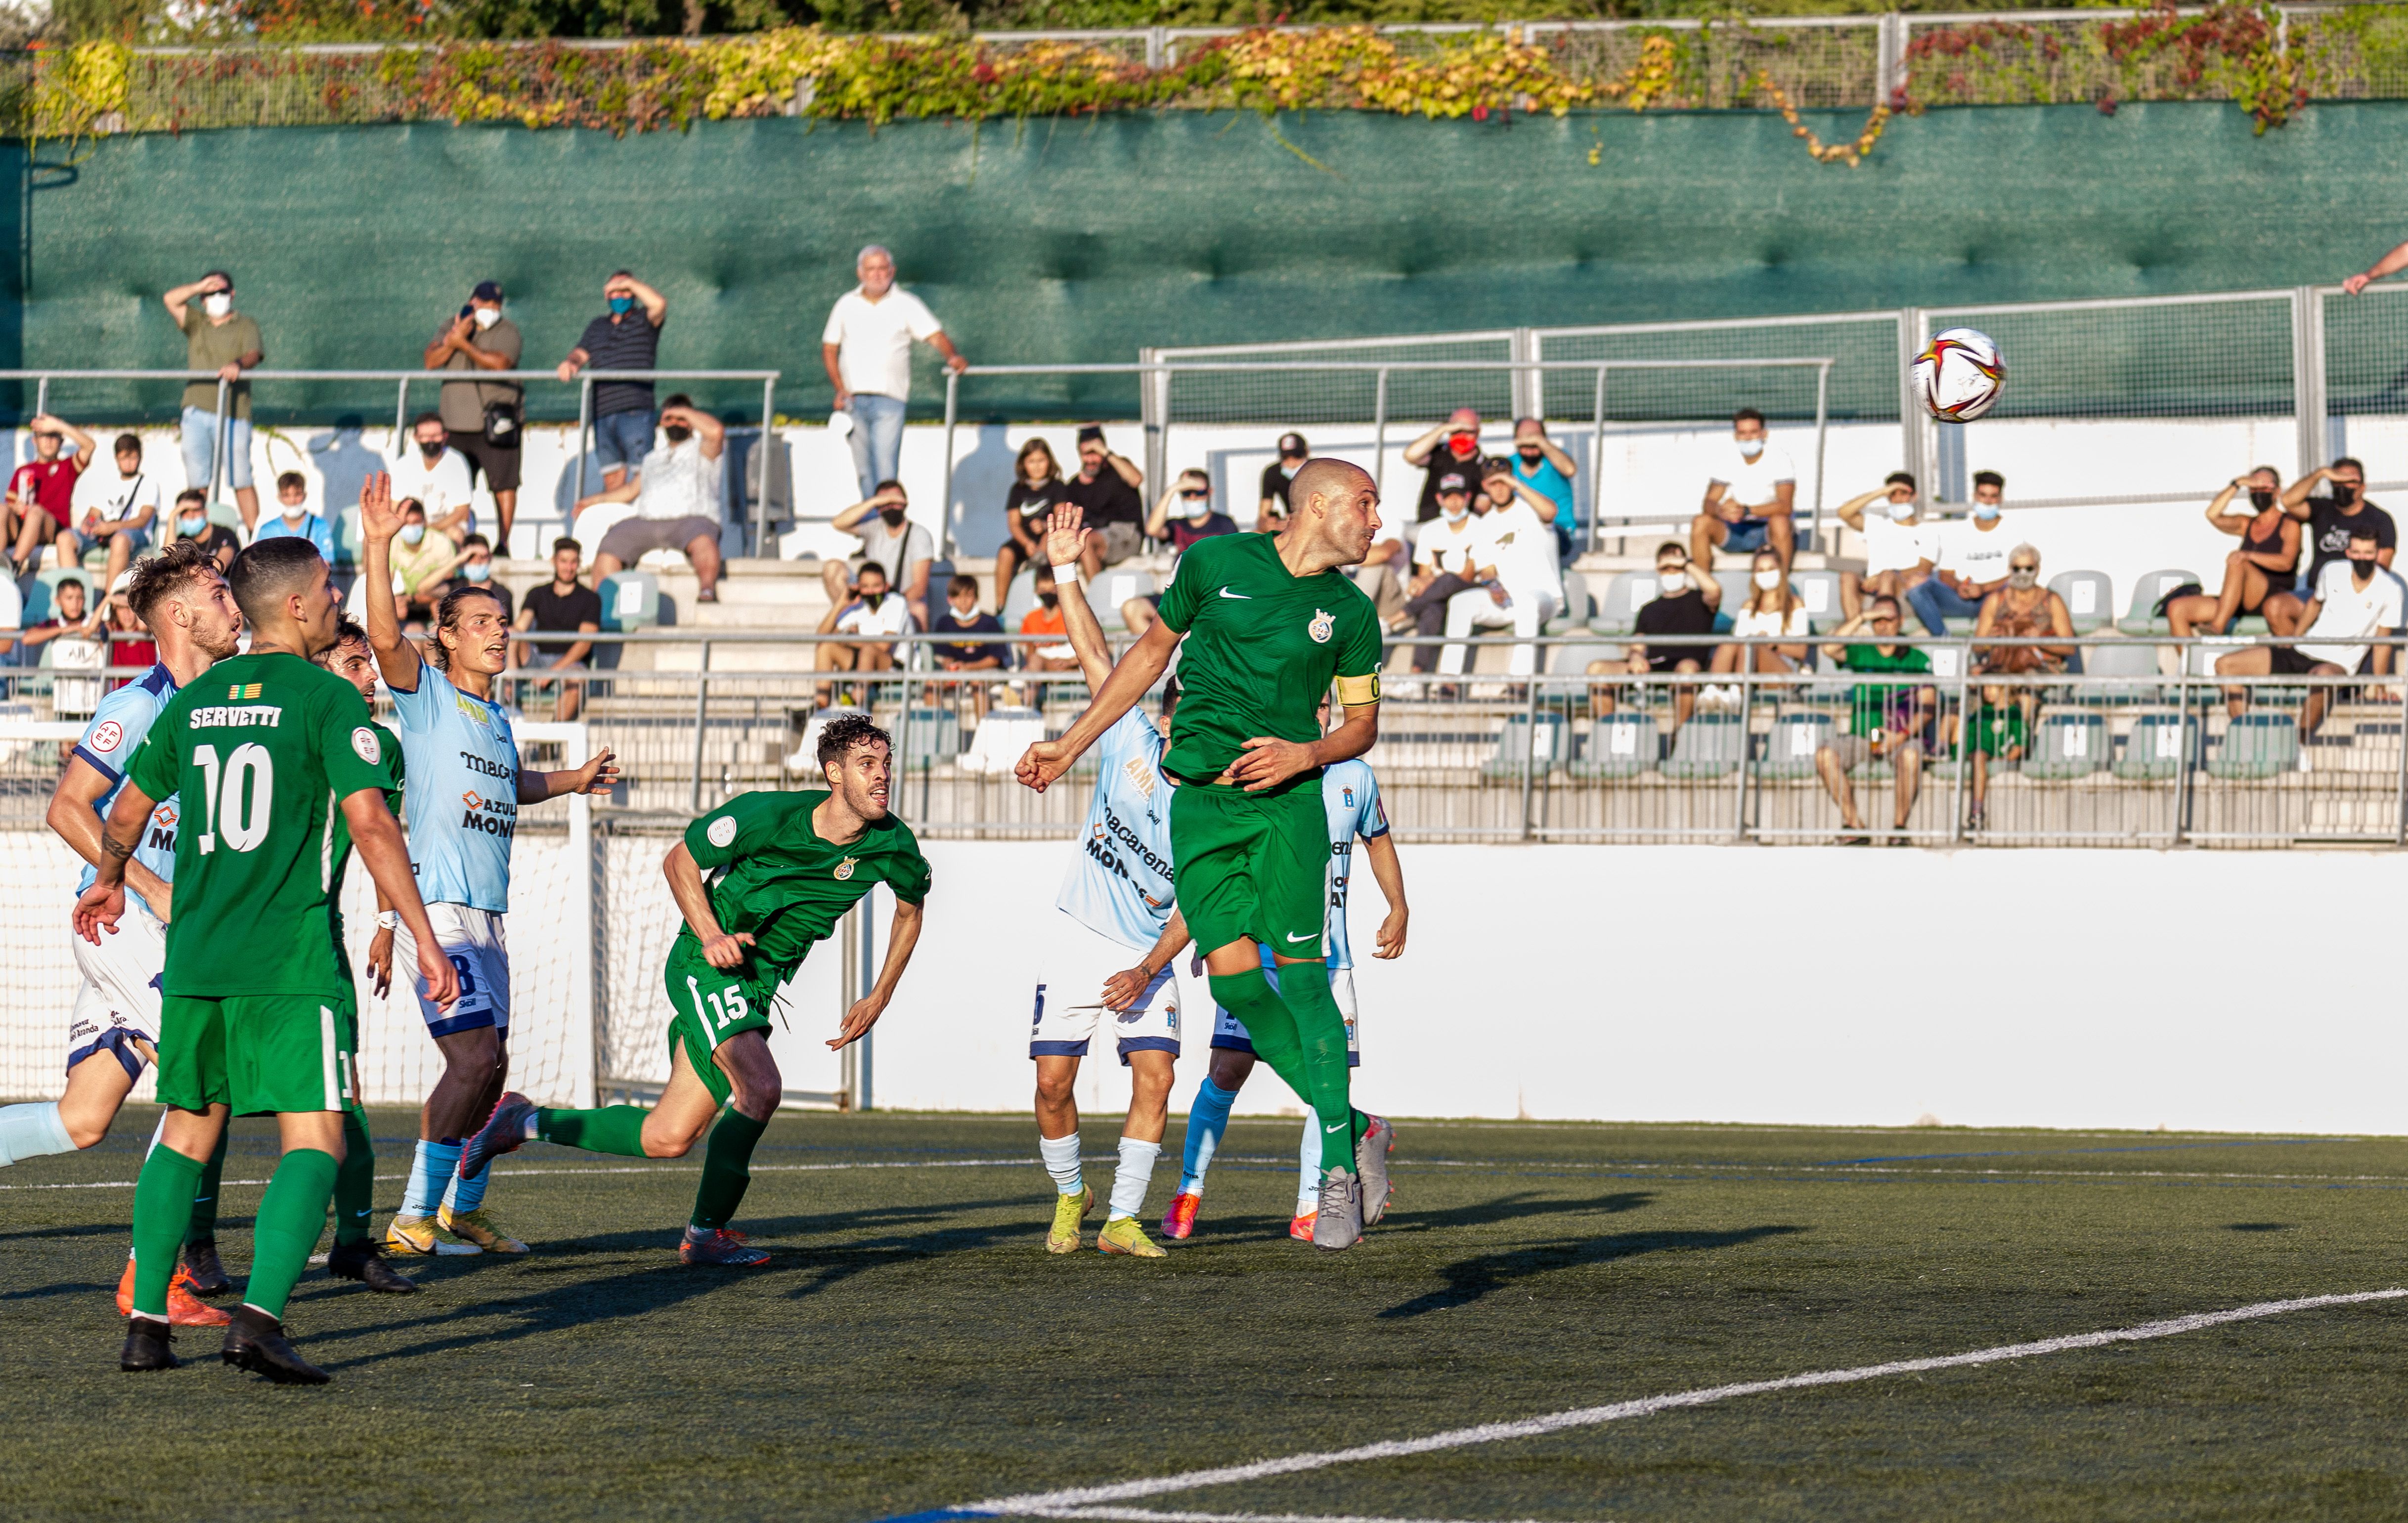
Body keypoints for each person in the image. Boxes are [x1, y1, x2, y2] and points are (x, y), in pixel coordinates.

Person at [87, 533, 459, 1384]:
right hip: (289, 961)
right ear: (295, 606)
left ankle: (147, 1326)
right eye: (329, 589)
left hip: (198, 959)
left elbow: (127, 810)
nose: (338, 602)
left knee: (185, 1131)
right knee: (318, 1138)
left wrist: (112, 880)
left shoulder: (195, 699)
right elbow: (372, 826)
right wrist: (424, 937)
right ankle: (257, 1323)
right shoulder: (328, 701)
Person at [1014, 456, 1395, 1252]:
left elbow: (1361, 727)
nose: (1375, 520)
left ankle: (1334, 1171)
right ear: (1317, 505)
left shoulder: (1352, 614)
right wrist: (1068, 746)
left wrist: (1307, 754)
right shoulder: (1215, 562)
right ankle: (1356, 1124)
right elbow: (1144, 658)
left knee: (1297, 980)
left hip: (1286, 806)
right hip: (1203, 805)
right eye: (1365, 504)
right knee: (1234, 986)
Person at [459, 712, 930, 1267]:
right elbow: (679, 860)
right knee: (761, 1087)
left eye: (886, 765)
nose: (882, 776)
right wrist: (711, 935)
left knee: (668, 1136)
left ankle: (523, 1121)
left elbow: (909, 910)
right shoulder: (768, 814)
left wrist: (880, 995)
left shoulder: (893, 843)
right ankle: (706, 1235)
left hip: (754, 989)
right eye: (867, 765)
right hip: (704, 968)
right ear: (833, 774)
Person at [358, 471, 619, 1261]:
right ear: (447, 638)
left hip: (488, 914)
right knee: (470, 1058)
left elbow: (510, 786)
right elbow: (379, 635)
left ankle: (463, 1207)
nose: (498, 633)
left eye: (502, 622)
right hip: (435, 908)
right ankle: (411, 1216)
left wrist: (570, 781)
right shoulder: (428, 693)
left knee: (492, 1065)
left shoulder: (497, 717)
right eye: (480, 623)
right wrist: (378, 547)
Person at [0, 543, 243, 1333]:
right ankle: (156, 1276)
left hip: (155, 932)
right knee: (202, 1082)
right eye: (216, 591)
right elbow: (69, 807)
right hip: (126, 923)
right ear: (179, 615)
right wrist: (152, 887)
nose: (231, 601)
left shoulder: (224, 700)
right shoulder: (140, 704)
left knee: (83, 1121)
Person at [1163, 693, 1407, 1244]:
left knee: (1327, 1073)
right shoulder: (1247, 768)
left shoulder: (1354, 778)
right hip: (1255, 952)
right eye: (1313, 701)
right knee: (1226, 1070)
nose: (1317, 710)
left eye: (1325, 704)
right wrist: (1214, 928)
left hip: (1326, 958)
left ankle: (1314, 1205)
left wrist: (1398, 905)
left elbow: (1378, 841)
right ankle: (1188, 1188)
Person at [1017, 505, 1189, 1258]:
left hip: (1147, 956)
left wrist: (1146, 968)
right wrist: (1063, 570)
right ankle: (1070, 1196)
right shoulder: (1129, 735)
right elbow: (1096, 653)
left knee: (1155, 1077)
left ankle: (1121, 1218)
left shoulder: (1220, 808)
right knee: (1052, 1085)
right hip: (1077, 936)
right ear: (1174, 715)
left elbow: (1201, 907)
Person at [307, 616, 423, 1295]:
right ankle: (194, 1247)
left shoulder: (376, 744)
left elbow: (378, 834)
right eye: (355, 664)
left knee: (344, 1097)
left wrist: (388, 922)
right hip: (228, 940)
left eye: (369, 665)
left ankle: (353, 1239)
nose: (371, 677)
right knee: (208, 1104)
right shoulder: (275, 721)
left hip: (313, 943)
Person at [2216, 525, 2407, 740]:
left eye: (2369, 553)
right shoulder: (2333, 570)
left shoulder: (2391, 590)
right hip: (2305, 648)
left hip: (2337, 663)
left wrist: (2379, 685)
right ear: (2348, 553)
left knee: (2323, 679)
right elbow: (2314, 605)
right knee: (2226, 665)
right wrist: (2295, 638)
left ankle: (2298, 745)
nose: (2362, 558)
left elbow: (2382, 643)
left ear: (2378, 554)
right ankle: (2244, 739)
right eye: (2357, 553)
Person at [822, 244, 967, 497]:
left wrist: (952, 356)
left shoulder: (907, 304)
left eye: (882, 268)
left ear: (893, 271)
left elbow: (935, 336)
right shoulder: (846, 304)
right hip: (853, 400)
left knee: (886, 471)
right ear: (860, 273)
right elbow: (830, 348)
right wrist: (839, 388)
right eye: (871, 269)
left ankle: (890, 531)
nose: (877, 275)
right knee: (865, 473)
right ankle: (873, 529)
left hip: (890, 399)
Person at [1963, 546, 2074, 830]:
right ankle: (1970, 748)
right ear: (2009, 569)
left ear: (2037, 569)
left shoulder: (2051, 601)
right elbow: (1978, 645)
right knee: (1978, 689)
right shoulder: (1996, 600)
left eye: (2028, 569)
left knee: (2026, 690)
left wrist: (2037, 639)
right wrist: (1995, 638)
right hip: (2001, 668)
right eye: (2017, 569)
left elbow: (2070, 646)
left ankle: (2018, 744)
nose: (2022, 575)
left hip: (2034, 668)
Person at [578, 395, 726, 603]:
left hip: (691, 520)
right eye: (670, 418)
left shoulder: (703, 449)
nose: (675, 423)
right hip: (648, 521)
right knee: (611, 543)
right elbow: (630, 490)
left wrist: (682, 412)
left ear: (692, 422)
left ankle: (707, 591)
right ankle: (602, 606)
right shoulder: (652, 458)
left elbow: (716, 432)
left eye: (681, 419)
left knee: (704, 540)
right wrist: (591, 501)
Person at [1814, 597, 1935, 844]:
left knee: (1911, 756)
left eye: (1888, 619)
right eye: (1877, 619)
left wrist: (1899, 736)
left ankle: (1899, 828)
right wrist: (1861, 618)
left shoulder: (1916, 657)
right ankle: (1854, 825)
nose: (1882, 625)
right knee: (1825, 754)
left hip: (1900, 736)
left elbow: (1928, 706)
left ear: (1901, 621)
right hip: (1862, 735)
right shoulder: (1862, 651)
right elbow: (1829, 649)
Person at [1437, 458, 1563, 681]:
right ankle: (1449, 680)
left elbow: (1551, 512)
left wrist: (1516, 484)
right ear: (1485, 486)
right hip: (1508, 602)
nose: (1500, 487)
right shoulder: (1485, 523)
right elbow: (1486, 569)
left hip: (1545, 599)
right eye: (1493, 483)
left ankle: (1519, 683)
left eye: (1504, 481)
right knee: (1461, 603)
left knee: (1528, 603)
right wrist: (1492, 586)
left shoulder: (1531, 509)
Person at [425, 279, 524, 551]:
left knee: (504, 484)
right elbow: (431, 361)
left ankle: (503, 542)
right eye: (485, 303)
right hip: (455, 423)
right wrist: (455, 339)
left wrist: (465, 346)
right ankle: (456, 540)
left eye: (496, 305)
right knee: (456, 485)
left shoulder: (508, 331)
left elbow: (502, 364)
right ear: (473, 302)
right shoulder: (451, 326)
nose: (490, 309)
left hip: (497, 423)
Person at [162, 271, 264, 531]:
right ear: (203, 299)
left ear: (232, 294)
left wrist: (238, 364)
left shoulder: (245, 324)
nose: (217, 297)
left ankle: (256, 539)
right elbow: (171, 300)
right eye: (210, 293)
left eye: (222, 291)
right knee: (198, 480)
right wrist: (199, 286)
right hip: (196, 410)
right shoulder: (197, 322)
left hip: (234, 412)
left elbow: (255, 353)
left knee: (241, 476)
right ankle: (197, 535)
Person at [557, 270, 667, 494]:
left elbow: (659, 304)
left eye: (625, 291)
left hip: (636, 410)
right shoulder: (597, 326)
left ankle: (641, 527)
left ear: (634, 293)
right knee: (612, 478)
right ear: (607, 296)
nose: (620, 296)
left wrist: (629, 282)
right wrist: (571, 363)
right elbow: (581, 352)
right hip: (603, 413)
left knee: (642, 476)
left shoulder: (644, 320)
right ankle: (616, 527)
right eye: (614, 291)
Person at [1593, 543, 1720, 733]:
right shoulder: (1649, 609)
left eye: (1676, 567)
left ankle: (1680, 736)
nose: (1671, 572)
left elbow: (1715, 590)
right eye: (1666, 567)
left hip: (1684, 667)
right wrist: (1636, 657)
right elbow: (1637, 644)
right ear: (1658, 571)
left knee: (1687, 671)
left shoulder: (1700, 600)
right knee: (1597, 670)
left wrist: (1686, 564)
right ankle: (1606, 735)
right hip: (1652, 666)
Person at [2164, 468, 2300, 638]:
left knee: (2239, 560)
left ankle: (2218, 627)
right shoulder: (2247, 523)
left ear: (2277, 491)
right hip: (2237, 600)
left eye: (2264, 488)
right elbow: (2212, 514)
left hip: (2270, 595)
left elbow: (2286, 562)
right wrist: (2238, 484)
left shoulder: (2289, 523)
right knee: (2177, 608)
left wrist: (2248, 555)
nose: (2259, 493)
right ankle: (2192, 661)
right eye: (2254, 488)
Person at [1395, 469, 1489, 676]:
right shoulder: (1430, 530)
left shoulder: (1480, 527)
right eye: (1449, 498)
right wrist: (1422, 582)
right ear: (1440, 499)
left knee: (1448, 580)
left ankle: (1397, 617)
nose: (1454, 503)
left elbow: (1466, 576)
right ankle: (1416, 676)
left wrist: (1431, 580)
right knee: (1431, 611)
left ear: (1468, 498)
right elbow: (1424, 574)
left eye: (1459, 497)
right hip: (1439, 593)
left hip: (1471, 589)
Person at [2277, 458, 2395, 609]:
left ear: (2362, 487)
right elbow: (2288, 501)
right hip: (2316, 594)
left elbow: (2382, 567)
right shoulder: (2322, 509)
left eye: (2350, 480)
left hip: (2355, 596)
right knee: (2277, 607)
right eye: (2338, 479)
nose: (2343, 485)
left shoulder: (2380, 519)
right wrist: (2321, 473)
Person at [1908, 471, 2016, 634]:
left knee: (2013, 589)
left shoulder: (2013, 531)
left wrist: (1984, 588)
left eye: (1993, 496)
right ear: (1975, 496)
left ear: (2001, 499)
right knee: (1916, 585)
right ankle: (1945, 641)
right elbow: (1946, 575)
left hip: (1995, 600)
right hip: (1960, 600)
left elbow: (2019, 575)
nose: (1987, 502)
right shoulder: (1959, 531)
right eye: (1983, 496)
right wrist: (1959, 587)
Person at [1691, 407, 1796, 572]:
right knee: (1701, 522)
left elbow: (1785, 506)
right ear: (1736, 436)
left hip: (1767, 531)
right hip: (1734, 530)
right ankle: (1702, 588)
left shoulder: (1780, 460)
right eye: (1743, 433)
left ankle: (1782, 587)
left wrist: (1747, 511)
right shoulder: (1726, 460)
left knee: (1781, 522)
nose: (1748, 438)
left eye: (1753, 432)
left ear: (1764, 434)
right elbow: (1709, 502)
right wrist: (1721, 511)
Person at [514, 537, 603, 723]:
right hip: (536, 657)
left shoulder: (590, 599)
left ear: (579, 563)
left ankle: (553, 736)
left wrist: (552, 672)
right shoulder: (537, 593)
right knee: (512, 635)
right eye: (564, 561)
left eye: (573, 562)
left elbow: (584, 644)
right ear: (554, 561)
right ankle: (508, 699)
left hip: (570, 663)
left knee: (578, 677)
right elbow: (520, 627)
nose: (569, 568)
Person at [825, 480, 934, 631]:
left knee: (919, 609)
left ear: (905, 503)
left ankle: (919, 653)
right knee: (832, 568)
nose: (890, 506)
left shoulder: (919, 535)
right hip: (870, 598)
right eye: (885, 502)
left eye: (895, 501)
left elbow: (919, 588)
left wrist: (889, 606)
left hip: (900, 601)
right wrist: (875, 502)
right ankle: (851, 630)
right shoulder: (874, 527)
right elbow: (838, 523)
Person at [1707, 550, 1811, 694]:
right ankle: (1714, 691)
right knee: (1732, 643)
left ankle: (1738, 693)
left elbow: (1801, 651)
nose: (1766, 574)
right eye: (1761, 570)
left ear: (1781, 571)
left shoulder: (1795, 604)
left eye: (1771, 569)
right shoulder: (1749, 606)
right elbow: (1737, 642)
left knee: (1751, 644)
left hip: (1784, 667)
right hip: (1750, 665)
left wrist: (1772, 643)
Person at [68, 431, 159, 593]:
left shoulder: (149, 484)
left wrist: (111, 527)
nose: (130, 463)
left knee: (120, 539)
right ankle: (75, 594)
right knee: (65, 538)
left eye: (133, 457)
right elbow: (94, 513)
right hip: (105, 532)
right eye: (125, 458)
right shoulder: (109, 482)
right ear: (117, 459)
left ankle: (108, 600)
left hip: (135, 535)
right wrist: (88, 525)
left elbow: (143, 520)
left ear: (140, 457)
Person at [815, 560, 914, 709]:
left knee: (869, 651)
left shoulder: (896, 602)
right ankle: (819, 707)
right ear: (859, 587)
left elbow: (884, 645)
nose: (871, 591)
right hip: (865, 664)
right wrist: (841, 604)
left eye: (876, 586)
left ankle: (856, 707)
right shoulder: (859, 605)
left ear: (886, 587)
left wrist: (846, 640)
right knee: (826, 647)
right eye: (866, 587)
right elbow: (821, 636)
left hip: (896, 667)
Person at [1835, 472, 1932, 621]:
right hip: (1872, 588)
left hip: (1902, 591)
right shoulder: (1878, 525)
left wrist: (1883, 577)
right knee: (1847, 577)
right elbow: (1844, 513)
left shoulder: (1926, 532)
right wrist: (1880, 492)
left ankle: (1884, 627)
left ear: (1914, 496)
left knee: (1887, 576)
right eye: (1893, 494)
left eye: (1904, 493)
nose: (1898, 499)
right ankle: (1855, 631)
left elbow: (1924, 569)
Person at [8, 412, 93, 576]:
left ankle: (14, 566)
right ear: (35, 440)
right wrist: (16, 507)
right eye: (43, 436)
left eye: (54, 436)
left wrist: (59, 425)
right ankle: (2, 567)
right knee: (2, 510)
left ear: (61, 441)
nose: (48, 441)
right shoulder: (23, 470)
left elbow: (89, 446)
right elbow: (10, 503)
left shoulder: (66, 467)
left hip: (53, 529)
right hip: (24, 528)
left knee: (36, 511)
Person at [1063, 425, 1145, 576]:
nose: (1091, 460)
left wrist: (1105, 452)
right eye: (1086, 454)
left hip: (1126, 533)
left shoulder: (1118, 469)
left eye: (1096, 453)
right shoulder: (1074, 485)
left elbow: (1136, 479)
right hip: (1096, 533)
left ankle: (1097, 598)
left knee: (1086, 543)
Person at [997, 436, 1067, 612]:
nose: (1037, 466)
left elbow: (1061, 518)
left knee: (1047, 538)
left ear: (1049, 462)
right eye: (1031, 461)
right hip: (1024, 540)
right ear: (1023, 464)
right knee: (1005, 553)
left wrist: (1045, 526)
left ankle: (1038, 591)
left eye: (1041, 461)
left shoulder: (1057, 487)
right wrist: (1027, 543)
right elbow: (1014, 524)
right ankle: (1001, 607)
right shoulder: (1018, 490)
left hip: (1049, 537)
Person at [387, 412, 479, 542]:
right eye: (425, 436)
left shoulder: (456, 462)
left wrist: (429, 528)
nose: (431, 441)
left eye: (436, 436)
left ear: (445, 436)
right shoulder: (404, 464)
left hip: (446, 527)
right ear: (416, 438)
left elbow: (462, 512)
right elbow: (394, 506)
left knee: (456, 534)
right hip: (411, 526)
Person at [928, 572, 1007, 722]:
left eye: (968, 596)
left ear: (976, 598)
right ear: (950, 599)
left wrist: (968, 668)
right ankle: (936, 734)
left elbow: (994, 660)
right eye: (958, 596)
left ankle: (983, 734)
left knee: (979, 684)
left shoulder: (990, 622)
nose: (963, 602)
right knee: (931, 686)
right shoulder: (945, 623)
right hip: (957, 673)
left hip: (985, 673)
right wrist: (953, 668)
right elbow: (943, 656)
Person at [1509, 417, 1579, 562]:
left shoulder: (1555, 459)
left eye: (1535, 439)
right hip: (1520, 532)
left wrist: (1541, 442)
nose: (1530, 447)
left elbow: (1570, 470)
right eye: (1525, 440)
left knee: (1537, 537)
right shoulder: (1510, 465)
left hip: (1558, 531)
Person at [1402, 408, 1485, 524]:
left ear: (1478, 432)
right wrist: (1442, 429)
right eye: (1457, 430)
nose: (1462, 435)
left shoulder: (1484, 464)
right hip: (1427, 525)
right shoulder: (1438, 453)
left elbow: (1481, 507)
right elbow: (1410, 455)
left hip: (1462, 529)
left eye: (1468, 431)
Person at [384, 498, 458, 625]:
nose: (411, 528)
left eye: (416, 522)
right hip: (411, 601)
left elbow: (450, 577)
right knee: (395, 610)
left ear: (425, 522)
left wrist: (418, 594)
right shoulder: (394, 543)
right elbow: (387, 580)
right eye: (406, 523)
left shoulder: (440, 541)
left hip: (439, 598)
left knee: (438, 606)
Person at [252, 471, 338, 563]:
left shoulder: (319, 526)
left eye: (297, 495)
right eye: (286, 495)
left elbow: (326, 564)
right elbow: (258, 564)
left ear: (305, 495)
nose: (293, 501)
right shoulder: (268, 530)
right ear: (279, 497)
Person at [1017, 564, 1079, 678]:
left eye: (1052, 590)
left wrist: (1069, 663)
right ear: (1036, 591)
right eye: (1043, 590)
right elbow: (1028, 651)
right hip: (1041, 666)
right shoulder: (1031, 618)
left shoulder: (1071, 616)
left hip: (1069, 663)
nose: (1047, 594)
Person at [168, 489, 239, 573]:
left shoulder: (225, 534)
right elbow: (168, 562)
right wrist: (172, 516)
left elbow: (218, 567)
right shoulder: (182, 539)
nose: (191, 516)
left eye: (195, 510)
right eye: (185, 512)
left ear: (205, 512)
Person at [1259, 432, 1308, 526]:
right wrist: (1271, 525)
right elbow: (1262, 516)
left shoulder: (1316, 470)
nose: (1291, 463)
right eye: (1286, 458)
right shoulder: (1273, 473)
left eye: (1296, 457)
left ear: (1307, 452)